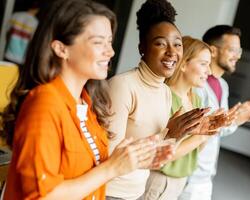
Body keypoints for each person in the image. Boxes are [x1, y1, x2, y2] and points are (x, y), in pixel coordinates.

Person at [0, 0, 167, 199]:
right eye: (98, 42)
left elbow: (87, 172)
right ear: (61, 49)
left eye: (109, 41)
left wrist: (130, 158)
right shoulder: (44, 105)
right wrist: (112, 168)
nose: (110, 52)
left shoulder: (86, 103)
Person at [106, 1, 205, 200]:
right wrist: (170, 135)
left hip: (137, 191)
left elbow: (159, 159)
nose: (172, 52)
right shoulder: (123, 86)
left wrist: (178, 135)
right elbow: (110, 156)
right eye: (160, 43)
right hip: (111, 192)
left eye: (177, 44)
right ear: (142, 47)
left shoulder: (165, 92)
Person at [144, 36, 236, 200]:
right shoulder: (165, 97)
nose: (208, 71)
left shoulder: (196, 100)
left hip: (180, 181)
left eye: (209, 65)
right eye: (203, 64)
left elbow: (195, 152)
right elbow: (164, 154)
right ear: (184, 64)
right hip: (158, 180)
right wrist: (201, 136)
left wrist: (210, 130)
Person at [180, 25, 250, 200]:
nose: (238, 56)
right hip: (187, 177)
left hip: (206, 177)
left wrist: (238, 118)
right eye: (233, 50)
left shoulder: (222, 86)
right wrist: (229, 120)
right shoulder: (197, 85)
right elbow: (192, 130)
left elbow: (218, 129)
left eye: (239, 51)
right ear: (213, 50)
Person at [4, 1, 40, 65]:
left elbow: (7, 33)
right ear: (37, 9)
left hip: (8, 54)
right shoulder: (35, 23)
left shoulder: (15, 15)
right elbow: (31, 42)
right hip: (22, 58)